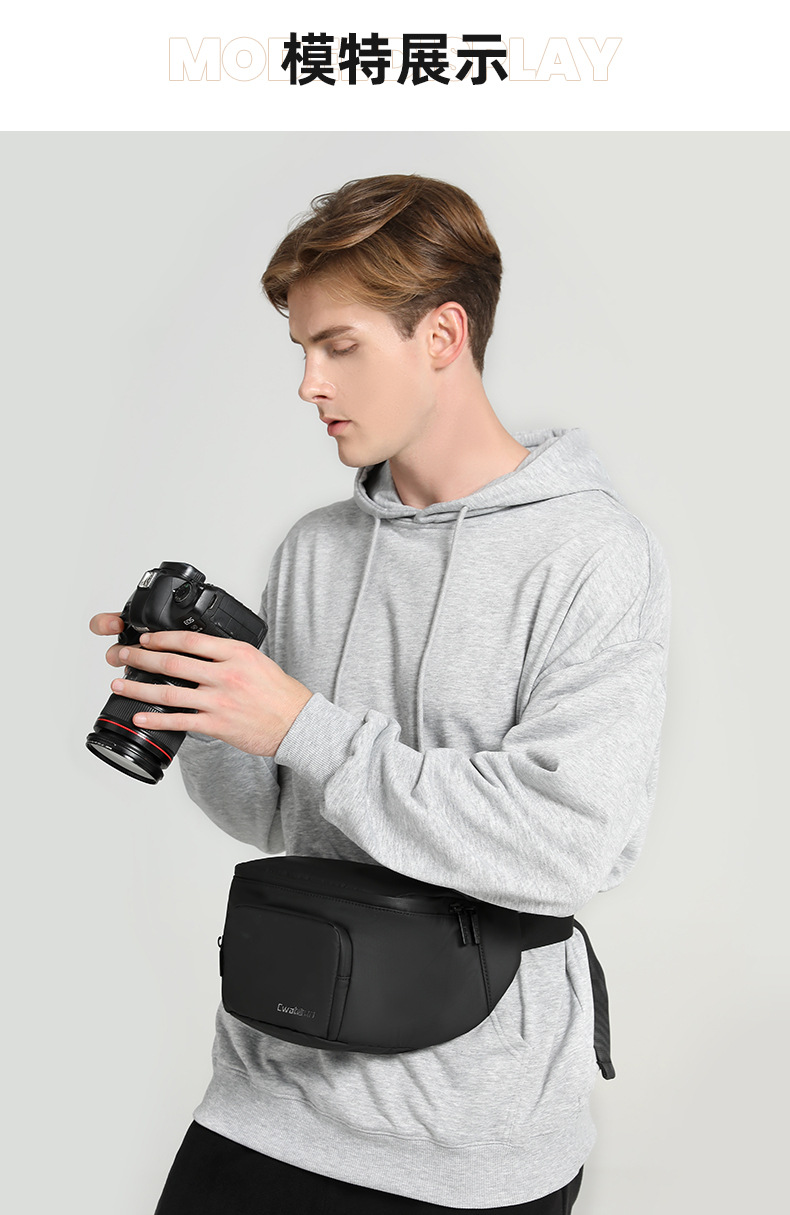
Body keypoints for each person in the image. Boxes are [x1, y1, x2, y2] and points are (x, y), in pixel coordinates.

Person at [90, 174, 670, 1213]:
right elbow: (277, 812)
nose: (308, 385)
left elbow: (567, 842)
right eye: (301, 351)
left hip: (467, 1144)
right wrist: (199, 706)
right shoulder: (316, 547)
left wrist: (302, 724)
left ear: (441, 334)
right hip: (266, 1094)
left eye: (339, 346)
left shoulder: (590, 554)